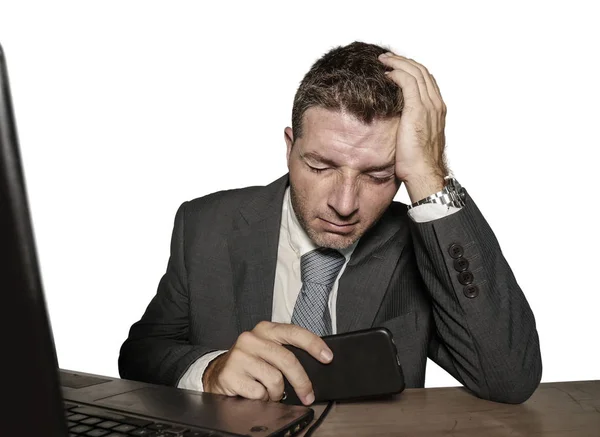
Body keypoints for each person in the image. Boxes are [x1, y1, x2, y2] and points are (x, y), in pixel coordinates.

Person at [118, 41, 542, 405]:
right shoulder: (206, 224)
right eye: (320, 166)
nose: (344, 204)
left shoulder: (420, 245)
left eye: (378, 176)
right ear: (290, 147)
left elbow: (509, 378)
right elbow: (142, 352)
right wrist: (210, 371)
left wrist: (431, 176)